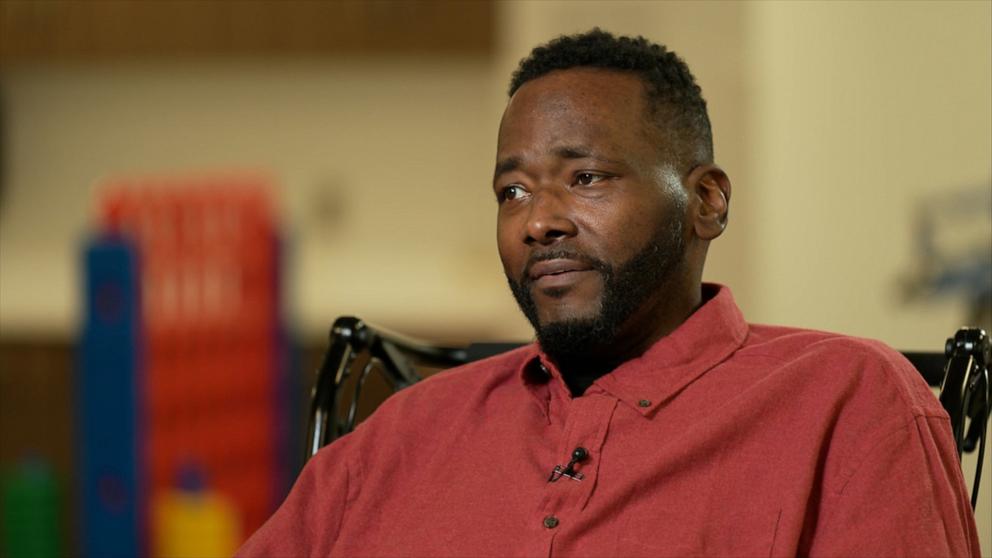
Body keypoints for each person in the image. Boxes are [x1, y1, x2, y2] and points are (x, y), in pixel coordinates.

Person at [238, 30, 980, 557]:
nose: (538, 220)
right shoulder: (398, 439)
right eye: (513, 190)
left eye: (586, 177)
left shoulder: (848, 400)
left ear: (706, 202)